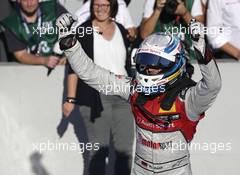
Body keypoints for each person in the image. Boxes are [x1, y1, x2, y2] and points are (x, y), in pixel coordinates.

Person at [56, 13, 221, 175]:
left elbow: (213, 86)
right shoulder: (135, 89)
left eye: (155, 64)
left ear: (173, 64)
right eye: (145, 62)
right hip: (140, 170)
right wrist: (70, 44)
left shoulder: (188, 99)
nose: (148, 69)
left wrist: (201, 48)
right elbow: (92, 74)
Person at [62, 0, 134, 174]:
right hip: (95, 96)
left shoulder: (121, 30)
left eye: (105, 5)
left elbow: (125, 64)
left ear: (113, 7)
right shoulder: (83, 31)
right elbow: (74, 68)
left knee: (125, 151)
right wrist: (70, 99)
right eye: (97, 5)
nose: (100, 9)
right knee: (98, 151)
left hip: (123, 97)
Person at [0, 0, 67, 68]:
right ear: (18, 0)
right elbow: (21, 55)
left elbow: (73, 32)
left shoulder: (54, 9)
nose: (29, 3)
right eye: (25, 0)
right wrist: (44, 60)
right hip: (28, 70)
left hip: (61, 66)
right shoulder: (12, 24)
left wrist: (67, 56)